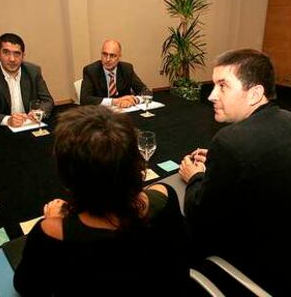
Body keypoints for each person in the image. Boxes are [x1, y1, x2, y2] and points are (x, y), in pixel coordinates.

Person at [179, 49, 291, 296]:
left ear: (255, 93)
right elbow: (260, 166)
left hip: (269, 280)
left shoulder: (231, 141)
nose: (212, 96)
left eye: (223, 86)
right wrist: (220, 162)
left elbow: (199, 215)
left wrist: (195, 175)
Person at [13, 106, 189, 296]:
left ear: (67, 178)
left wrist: (58, 220)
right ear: (135, 164)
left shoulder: (51, 232)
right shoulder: (164, 195)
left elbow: (26, 286)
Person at [0, 33, 54, 127]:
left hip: (28, 126)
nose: (12, 59)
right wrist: (8, 120)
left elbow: (48, 101)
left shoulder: (33, 71)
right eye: (6, 52)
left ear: (23, 55)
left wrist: (39, 112)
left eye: (17, 53)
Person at [80, 39, 149, 107]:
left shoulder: (127, 69)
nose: (107, 59)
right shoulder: (91, 71)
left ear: (119, 56)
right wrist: (115, 101)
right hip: (100, 113)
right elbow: (85, 100)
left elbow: (146, 92)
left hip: (124, 111)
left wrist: (134, 100)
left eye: (112, 55)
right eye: (105, 54)